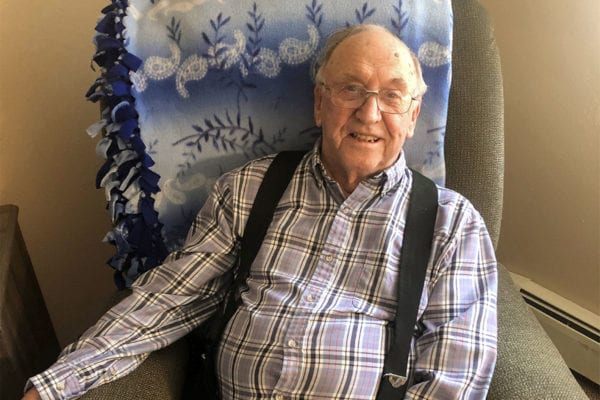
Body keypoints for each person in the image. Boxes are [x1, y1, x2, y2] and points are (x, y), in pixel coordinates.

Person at [24, 24, 497, 400]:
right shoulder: (250, 187)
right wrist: (54, 386)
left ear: (413, 117)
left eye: (392, 95)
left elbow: (454, 377)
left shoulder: (452, 224)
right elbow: (170, 298)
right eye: (350, 89)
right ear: (319, 103)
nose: (370, 114)